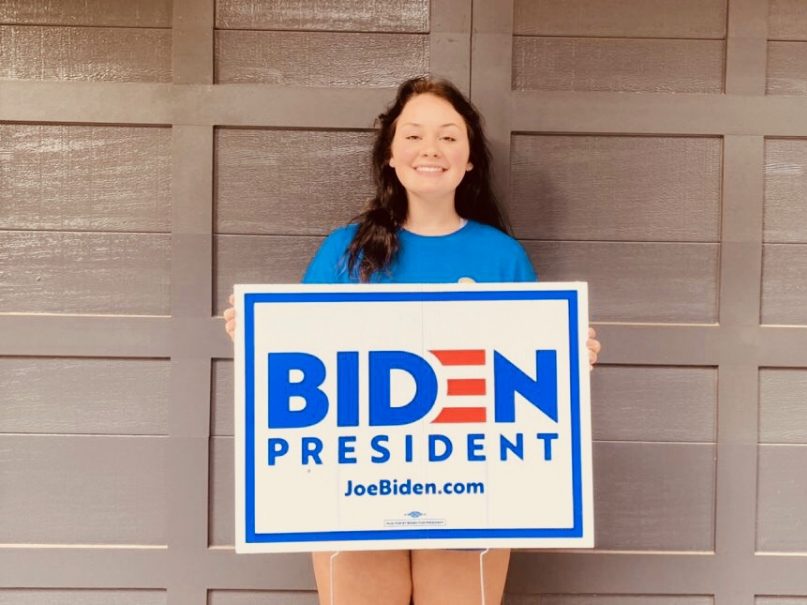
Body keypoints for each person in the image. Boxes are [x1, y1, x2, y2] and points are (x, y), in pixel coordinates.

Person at [224, 75, 601, 605]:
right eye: (414, 135)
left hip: (472, 485)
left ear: (469, 159)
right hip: (354, 483)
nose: (431, 149)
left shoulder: (501, 257)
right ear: (390, 155)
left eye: (449, 136)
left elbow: (528, 373)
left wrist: (570, 358)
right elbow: (297, 356)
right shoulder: (345, 250)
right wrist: (257, 334)